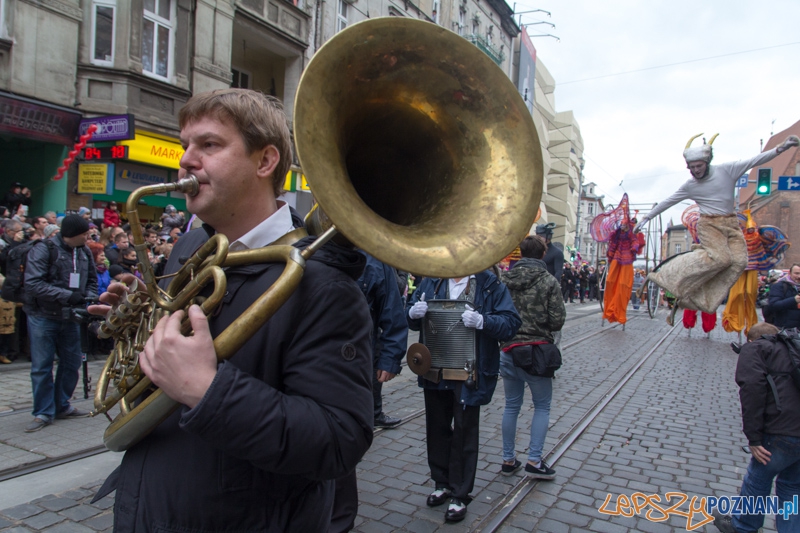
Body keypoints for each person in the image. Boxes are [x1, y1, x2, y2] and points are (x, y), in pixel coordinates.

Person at [88, 88, 374, 532]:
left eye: (209, 144)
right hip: (154, 502)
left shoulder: (324, 286)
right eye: (185, 145)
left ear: (265, 162)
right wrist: (134, 321)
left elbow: (338, 440)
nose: (185, 159)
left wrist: (207, 388)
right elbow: (157, 365)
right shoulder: (189, 244)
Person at [636, 133, 800, 322]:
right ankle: (665, 274)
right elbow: (669, 201)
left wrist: (781, 148)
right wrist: (647, 217)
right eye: (692, 167)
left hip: (730, 222)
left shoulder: (727, 170)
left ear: (707, 162)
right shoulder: (691, 185)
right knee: (721, 259)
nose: (696, 170)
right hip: (709, 223)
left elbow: (756, 160)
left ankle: (702, 299)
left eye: (699, 166)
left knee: (739, 262)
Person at [406, 268, 520, 523]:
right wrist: (413, 313)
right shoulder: (431, 281)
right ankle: (441, 482)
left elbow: (511, 323)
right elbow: (411, 315)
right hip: (435, 368)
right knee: (436, 427)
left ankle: (460, 493)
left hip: (470, 371)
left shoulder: (489, 284)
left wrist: (484, 321)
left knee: (465, 432)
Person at [330, 253, 409, 533]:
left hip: (359, 359)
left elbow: (392, 310)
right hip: (317, 358)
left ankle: (340, 518)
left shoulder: (378, 263)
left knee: (348, 437)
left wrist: (390, 359)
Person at [713, 322, 800, 533]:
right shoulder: (792, 348)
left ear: (751, 339)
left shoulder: (755, 348)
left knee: (757, 479)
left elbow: (752, 390)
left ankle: (743, 526)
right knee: (791, 486)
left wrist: (754, 438)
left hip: (780, 431)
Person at [499, 235, 565, 480]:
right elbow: (558, 319)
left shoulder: (505, 279)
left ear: (521, 253)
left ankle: (508, 460)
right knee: (542, 406)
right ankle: (534, 460)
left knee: (511, 405)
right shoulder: (548, 280)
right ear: (542, 254)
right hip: (537, 351)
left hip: (508, 350)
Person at [23, 215, 97, 432]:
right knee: (42, 366)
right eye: (84, 233)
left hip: (71, 316)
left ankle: (61, 404)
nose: (88, 235)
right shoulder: (44, 249)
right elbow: (33, 283)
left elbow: (91, 279)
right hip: (43, 316)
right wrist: (67, 295)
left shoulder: (83, 252)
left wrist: (87, 299)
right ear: (72, 234)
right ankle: (43, 411)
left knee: (71, 362)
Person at [603, 218, 643, 325]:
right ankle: (610, 308)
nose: (623, 226)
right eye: (622, 224)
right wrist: (610, 255)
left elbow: (635, 241)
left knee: (623, 284)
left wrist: (634, 248)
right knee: (610, 281)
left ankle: (618, 310)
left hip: (627, 258)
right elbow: (613, 244)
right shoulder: (617, 234)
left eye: (624, 224)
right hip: (617, 257)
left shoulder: (631, 233)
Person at [766, 264, 800, 330]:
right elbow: (773, 306)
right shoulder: (779, 286)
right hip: (785, 330)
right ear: (789, 273)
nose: (799, 276)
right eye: (796, 273)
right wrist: (794, 300)